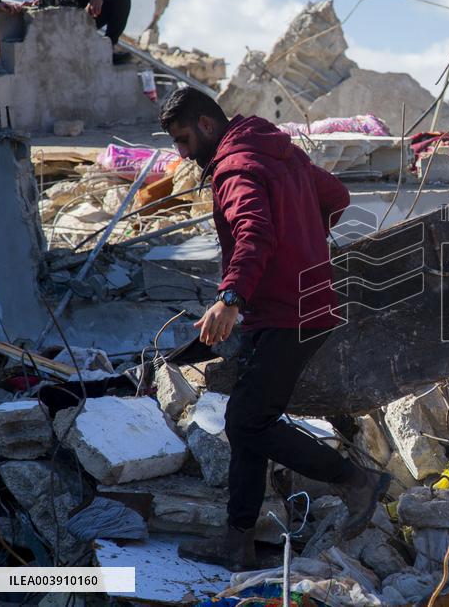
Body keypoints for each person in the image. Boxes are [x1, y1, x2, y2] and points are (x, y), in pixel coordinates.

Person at [159, 87, 390, 571]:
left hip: (287, 313)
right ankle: (237, 542)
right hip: (303, 305)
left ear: (206, 124)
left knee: (247, 421)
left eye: (183, 139)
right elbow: (337, 196)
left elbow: (254, 233)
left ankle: (356, 482)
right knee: (248, 422)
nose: (182, 153)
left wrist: (230, 297)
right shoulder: (274, 147)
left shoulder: (235, 167)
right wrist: (303, 242)